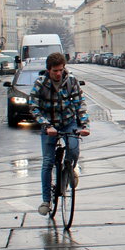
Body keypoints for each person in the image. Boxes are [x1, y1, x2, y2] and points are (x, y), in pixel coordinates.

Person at [28, 52, 90, 216]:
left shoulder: (71, 81)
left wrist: (84, 124)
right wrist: (46, 125)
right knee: (48, 162)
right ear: (48, 70)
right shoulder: (41, 84)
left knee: (74, 150)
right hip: (50, 125)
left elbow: (79, 103)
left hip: (68, 122)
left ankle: (68, 173)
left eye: (60, 70)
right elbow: (33, 106)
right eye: (55, 70)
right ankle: (46, 200)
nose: (58, 73)